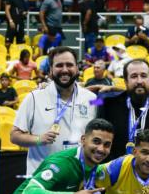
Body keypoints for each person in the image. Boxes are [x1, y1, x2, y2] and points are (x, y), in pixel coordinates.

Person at [11, 47, 97, 175]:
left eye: (69, 65)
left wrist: (111, 88)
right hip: (41, 180)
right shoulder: (34, 98)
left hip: (77, 178)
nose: (64, 70)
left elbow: (109, 105)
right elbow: (14, 136)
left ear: (77, 68)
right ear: (51, 70)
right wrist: (39, 139)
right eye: (59, 65)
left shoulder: (92, 99)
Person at [97, 59, 149, 163]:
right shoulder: (108, 105)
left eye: (143, 76)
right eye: (134, 76)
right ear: (125, 81)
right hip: (115, 174)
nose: (139, 81)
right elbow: (90, 101)